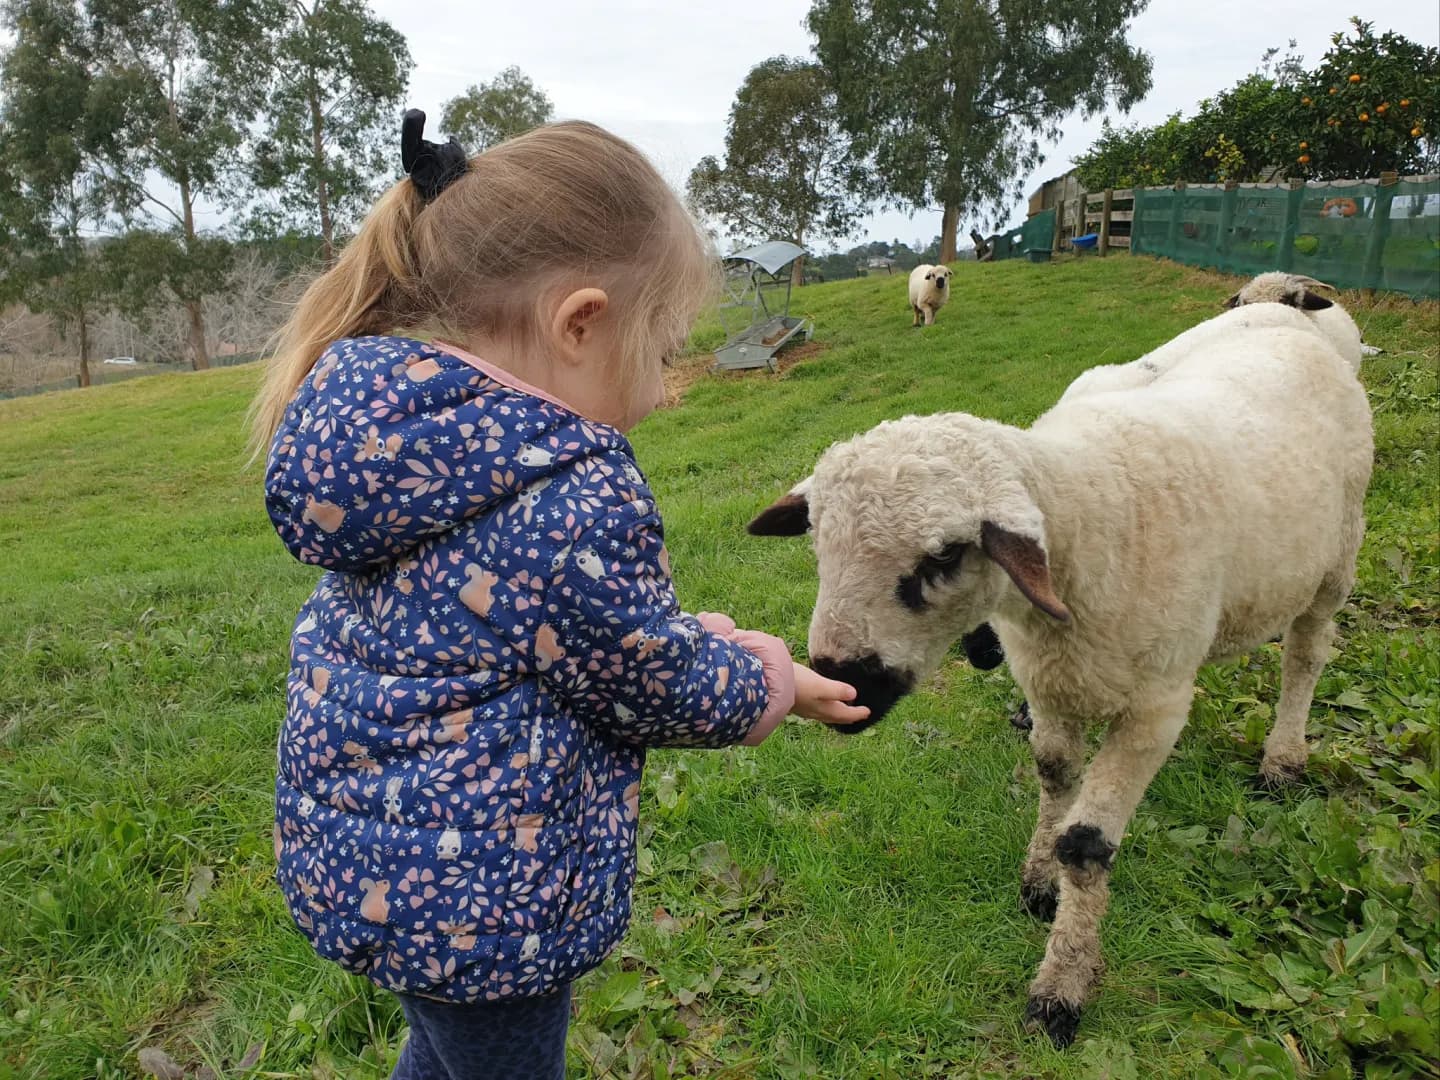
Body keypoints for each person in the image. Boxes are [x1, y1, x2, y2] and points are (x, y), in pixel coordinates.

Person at [249, 111, 867, 1080]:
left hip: (375, 869)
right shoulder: (567, 490)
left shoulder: (391, 439)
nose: (665, 392)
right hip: (489, 909)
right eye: (660, 351)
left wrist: (692, 636)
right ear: (579, 323)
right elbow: (655, 680)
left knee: (444, 1054)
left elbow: (542, 636)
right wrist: (771, 677)